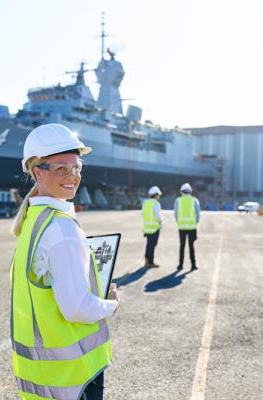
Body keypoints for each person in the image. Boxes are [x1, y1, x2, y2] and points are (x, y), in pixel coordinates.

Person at [10, 123, 120, 400]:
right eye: (60, 168)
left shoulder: (31, 222)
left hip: (41, 379)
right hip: (74, 378)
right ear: (37, 172)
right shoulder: (62, 229)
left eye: (76, 167)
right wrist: (112, 304)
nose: (72, 176)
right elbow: (77, 308)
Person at [174, 183, 201, 271]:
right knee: (191, 246)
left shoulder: (178, 200)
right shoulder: (195, 200)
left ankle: (180, 265)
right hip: (192, 227)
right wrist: (194, 223)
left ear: (181, 192)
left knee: (182, 246)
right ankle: (193, 265)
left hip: (181, 227)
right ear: (190, 192)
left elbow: (176, 214)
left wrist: (179, 222)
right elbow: (198, 215)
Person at [142, 186, 163, 268]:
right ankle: (150, 262)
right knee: (152, 245)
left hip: (147, 228)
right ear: (156, 195)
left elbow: (143, 214)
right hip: (154, 228)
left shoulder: (145, 203)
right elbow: (158, 216)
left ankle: (146, 261)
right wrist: (161, 221)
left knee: (148, 245)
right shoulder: (156, 204)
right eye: (158, 195)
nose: (159, 197)